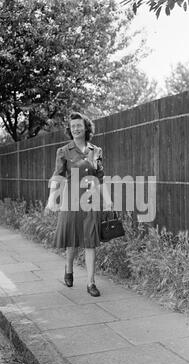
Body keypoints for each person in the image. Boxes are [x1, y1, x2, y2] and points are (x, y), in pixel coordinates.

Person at [45, 112, 112, 297]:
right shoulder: (63, 151)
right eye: (72, 126)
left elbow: (100, 178)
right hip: (71, 201)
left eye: (79, 125)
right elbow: (58, 176)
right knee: (72, 241)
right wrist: (52, 198)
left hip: (91, 201)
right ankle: (69, 268)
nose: (75, 128)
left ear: (86, 128)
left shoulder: (96, 151)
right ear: (70, 129)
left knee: (90, 241)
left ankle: (91, 283)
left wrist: (107, 200)